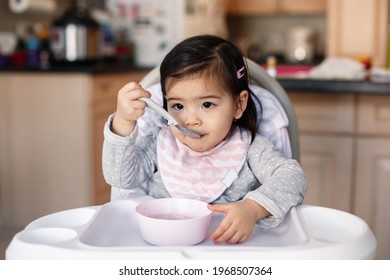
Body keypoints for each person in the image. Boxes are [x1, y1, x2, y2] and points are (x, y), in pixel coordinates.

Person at [102, 35, 307, 244]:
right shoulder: (158, 144)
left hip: (230, 252)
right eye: (178, 106)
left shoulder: (252, 149)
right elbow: (120, 179)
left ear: (238, 105)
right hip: (164, 250)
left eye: (207, 104)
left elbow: (293, 178)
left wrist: (253, 209)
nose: (190, 120)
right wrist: (123, 123)